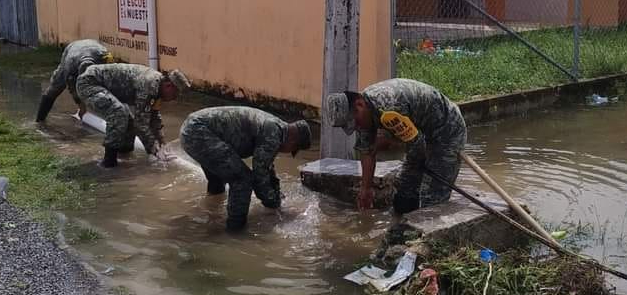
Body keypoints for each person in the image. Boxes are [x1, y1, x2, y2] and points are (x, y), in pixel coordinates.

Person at [325, 78, 466, 214]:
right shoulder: (365, 112)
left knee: (433, 195)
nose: (357, 127)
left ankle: (431, 234)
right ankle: (404, 225)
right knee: (403, 191)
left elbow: (417, 149)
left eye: (355, 122)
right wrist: (366, 189)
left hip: (447, 129)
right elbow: (367, 151)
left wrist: (391, 142)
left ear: (359, 105)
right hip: (420, 132)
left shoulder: (389, 107)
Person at [180, 106, 312, 231]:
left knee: (220, 178)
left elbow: (267, 168)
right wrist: (274, 205)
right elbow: (259, 176)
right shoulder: (273, 134)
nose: (286, 152)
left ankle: (211, 212)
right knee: (242, 180)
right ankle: (235, 232)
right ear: (293, 142)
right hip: (199, 132)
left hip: (193, 128)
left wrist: (276, 193)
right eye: (292, 150)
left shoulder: (276, 127)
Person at [75, 63, 190, 168]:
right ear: (168, 85)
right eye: (175, 94)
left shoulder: (157, 88)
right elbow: (141, 124)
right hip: (89, 84)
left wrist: (162, 144)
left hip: (105, 87)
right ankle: (108, 162)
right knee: (119, 114)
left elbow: (154, 118)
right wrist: (154, 150)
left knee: (129, 123)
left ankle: (124, 154)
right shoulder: (149, 85)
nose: (174, 98)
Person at [35, 39, 114, 122]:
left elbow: (112, 79)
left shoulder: (105, 57)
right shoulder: (70, 66)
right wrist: (81, 107)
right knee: (55, 87)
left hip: (93, 47)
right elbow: (72, 88)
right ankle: (40, 120)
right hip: (72, 51)